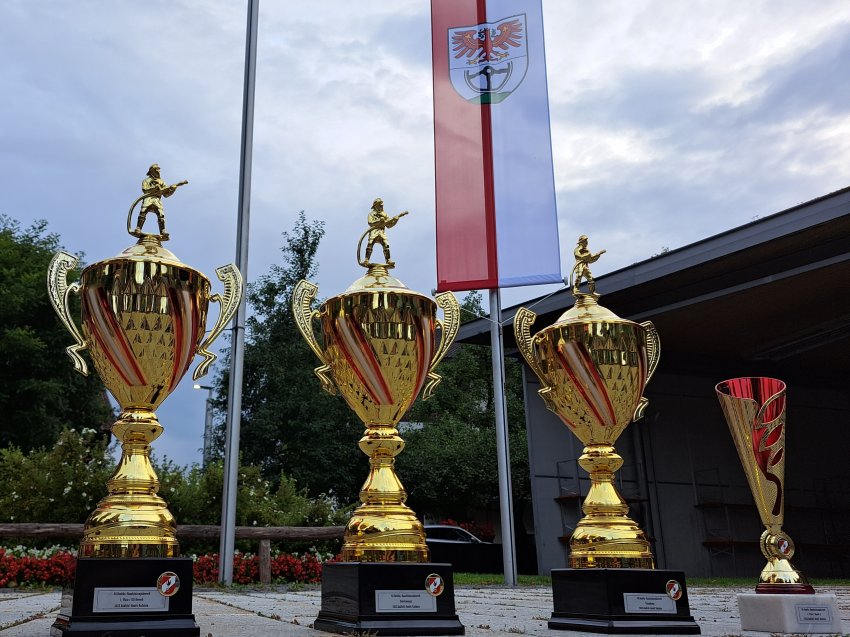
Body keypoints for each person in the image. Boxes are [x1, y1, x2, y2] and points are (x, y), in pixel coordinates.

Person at [132, 164, 187, 240]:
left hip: (157, 199)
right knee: (143, 212)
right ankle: (138, 228)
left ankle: (163, 231)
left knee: (161, 215)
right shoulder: (146, 180)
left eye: (158, 169)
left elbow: (166, 194)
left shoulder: (161, 181)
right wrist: (154, 188)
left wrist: (173, 189)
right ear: (152, 171)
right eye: (157, 169)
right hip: (148, 198)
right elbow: (145, 190)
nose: (158, 171)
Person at [364, 198, 408, 267]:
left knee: (386, 245)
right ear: (376, 206)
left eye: (382, 205)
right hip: (374, 231)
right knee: (370, 244)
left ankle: (388, 260)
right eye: (380, 205)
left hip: (381, 232)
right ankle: (366, 259)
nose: (381, 206)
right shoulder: (371, 214)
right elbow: (370, 223)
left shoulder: (384, 214)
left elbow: (389, 225)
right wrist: (379, 221)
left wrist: (396, 220)